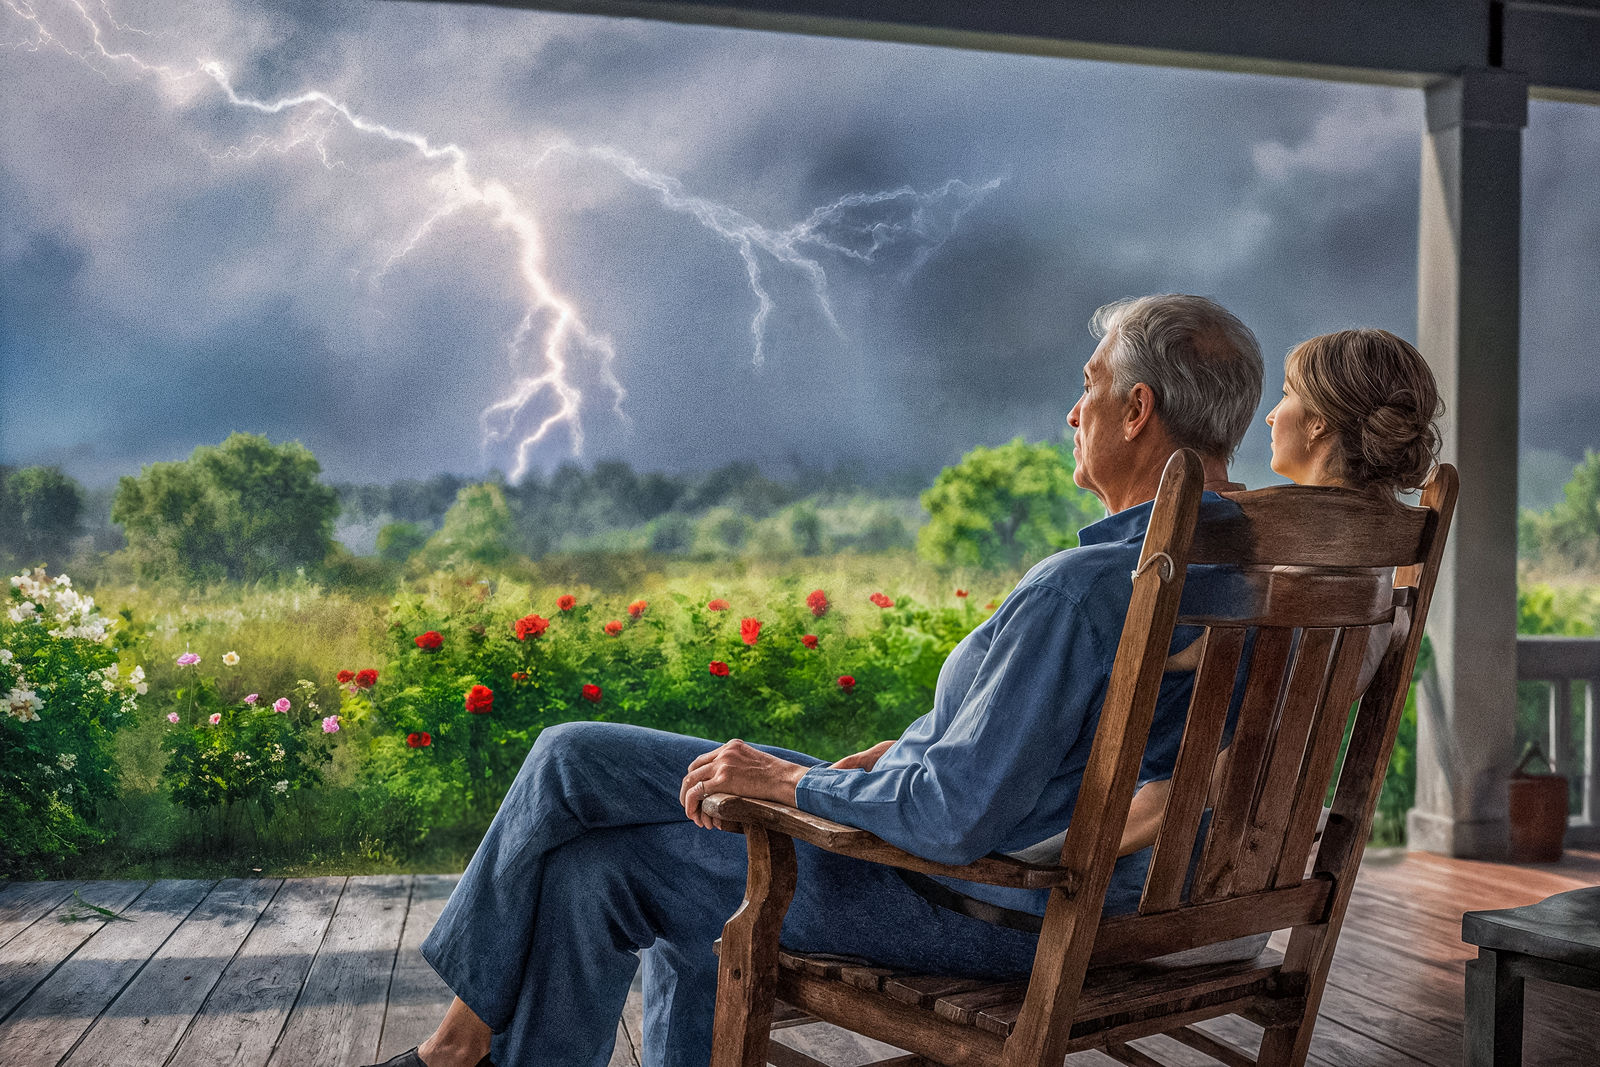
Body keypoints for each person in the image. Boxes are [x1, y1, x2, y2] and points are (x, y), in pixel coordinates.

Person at [367, 294, 1265, 1067]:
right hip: (1110, 886)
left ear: (1138, 410)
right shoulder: (1265, 575)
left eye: (1089, 388)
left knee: (591, 831)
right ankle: (459, 1044)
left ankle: (455, 1047)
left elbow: (955, 814)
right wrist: (909, 748)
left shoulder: (1085, 587)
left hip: (992, 898)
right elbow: (1089, 753)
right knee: (588, 790)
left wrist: (791, 781)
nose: (1075, 413)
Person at [1116, 326, 1443, 857]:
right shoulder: (1376, 567)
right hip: (1274, 830)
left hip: (1192, 808)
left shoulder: (1258, 532)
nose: (1271, 415)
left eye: (1287, 394)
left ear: (1318, 425)